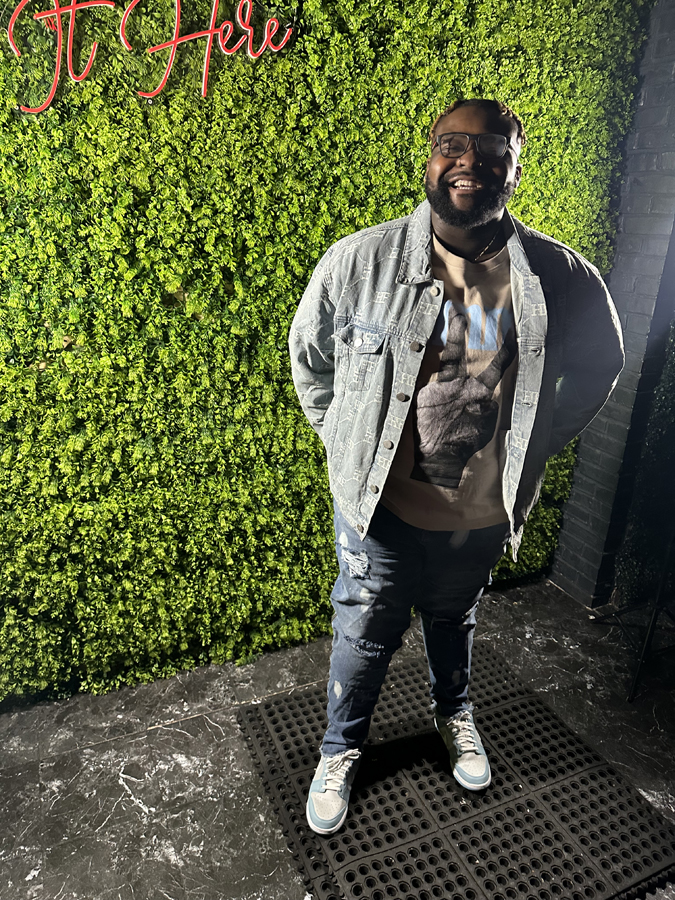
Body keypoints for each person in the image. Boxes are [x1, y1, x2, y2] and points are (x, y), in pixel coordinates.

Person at [288, 98, 624, 836]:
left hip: (479, 511)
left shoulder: (558, 275)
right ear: (430, 157)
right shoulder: (358, 261)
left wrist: (531, 447)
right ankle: (340, 750)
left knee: (452, 619)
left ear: (515, 165)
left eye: (491, 148)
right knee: (364, 632)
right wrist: (346, 445)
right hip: (378, 509)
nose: (470, 161)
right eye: (452, 144)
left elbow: (603, 365)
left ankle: (454, 715)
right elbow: (310, 365)